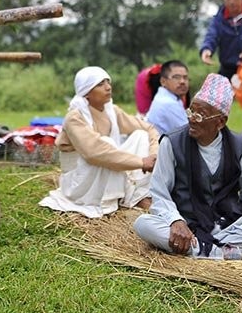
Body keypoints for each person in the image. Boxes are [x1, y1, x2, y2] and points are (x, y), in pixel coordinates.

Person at [133, 74, 242, 259]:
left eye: (200, 115)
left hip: (230, 224)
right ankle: (223, 252)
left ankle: (206, 251)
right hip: (188, 226)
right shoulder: (172, 143)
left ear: (220, 122)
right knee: (143, 224)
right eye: (191, 111)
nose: (192, 119)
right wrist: (175, 220)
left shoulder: (239, 145)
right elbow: (160, 193)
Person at [39, 66, 159, 218]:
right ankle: (108, 198)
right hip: (80, 178)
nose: (108, 87)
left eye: (108, 82)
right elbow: (95, 152)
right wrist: (141, 162)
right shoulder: (75, 117)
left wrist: (153, 156)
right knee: (106, 142)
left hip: (104, 163)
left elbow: (148, 128)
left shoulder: (111, 110)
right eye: (100, 84)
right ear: (87, 91)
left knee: (141, 135)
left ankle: (138, 195)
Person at [145, 60, 190, 135]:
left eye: (185, 77)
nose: (182, 81)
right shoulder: (168, 103)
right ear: (163, 81)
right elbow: (188, 133)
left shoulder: (165, 96)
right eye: (176, 77)